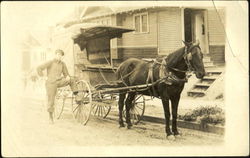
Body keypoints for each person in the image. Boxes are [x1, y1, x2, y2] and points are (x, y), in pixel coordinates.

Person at [37, 49, 79, 124]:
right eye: (58, 55)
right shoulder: (50, 62)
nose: (59, 56)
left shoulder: (62, 64)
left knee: (72, 79)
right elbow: (39, 68)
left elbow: (66, 74)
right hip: (51, 83)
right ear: (55, 55)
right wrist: (43, 77)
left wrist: (67, 77)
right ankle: (50, 117)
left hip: (59, 81)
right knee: (51, 100)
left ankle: (77, 96)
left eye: (61, 55)